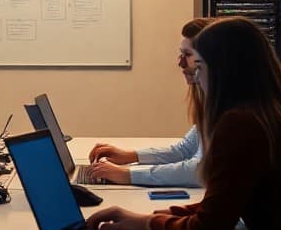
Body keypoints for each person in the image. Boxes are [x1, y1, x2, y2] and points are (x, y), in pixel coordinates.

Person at [86, 16, 281, 230]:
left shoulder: (243, 124)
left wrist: (148, 223)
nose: (197, 76)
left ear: (223, 70)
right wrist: (158, 216)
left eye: (200, 66)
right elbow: (226, 201)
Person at [86, 17, 213, 186]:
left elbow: (199, 171)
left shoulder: (231, 110)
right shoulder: (213, 103)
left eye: (188, 55)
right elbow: (184, 151)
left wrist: (127, 175)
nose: (180, 63)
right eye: (181, 54)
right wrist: (130, 156)